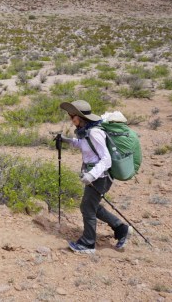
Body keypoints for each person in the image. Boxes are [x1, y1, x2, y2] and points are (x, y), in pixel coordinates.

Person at [59, 100, 132, 254]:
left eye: (73, 117)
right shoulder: (87, 131)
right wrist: (67, 141)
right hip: (96, 176)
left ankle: (88, 243)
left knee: (87, 207)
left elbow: (106, 159)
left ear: (80, 117)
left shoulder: (94, 132)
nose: (71, 120)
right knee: (92, 206)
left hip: (101, 177)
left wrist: (92, 174)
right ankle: (121, 228)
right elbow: (84, 146)